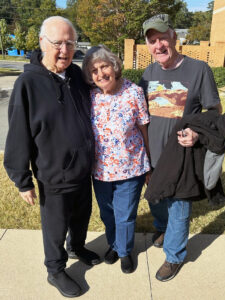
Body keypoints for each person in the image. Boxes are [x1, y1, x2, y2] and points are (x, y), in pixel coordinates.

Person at [4, 16, 100, 298]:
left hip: (83, 171)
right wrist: (22, 180)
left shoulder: (76, 77)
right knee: (55, 227)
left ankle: (77, 247)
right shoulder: (28, 83)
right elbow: (19, 134)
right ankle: (55, 268)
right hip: (54, 175)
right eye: (57, 43)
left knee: (82, 217)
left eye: (70, 43)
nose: (64, 50)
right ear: (42, 42)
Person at [139, 14, 223, 282]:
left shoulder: (199, 70)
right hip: (153, 155)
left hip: (182, 155)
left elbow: (215, 111)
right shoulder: (148, 74)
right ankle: (162, 229)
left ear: (174, 37)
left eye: (163, 37)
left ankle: (174, 256)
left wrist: (197, 133)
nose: (159, 45)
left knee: (179, 207)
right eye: (152, 41)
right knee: (157, 198)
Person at [82, 45, 151, 274]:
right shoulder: (90, 96)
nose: (100, 73)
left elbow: (143, 129)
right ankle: (114, 244)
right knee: (107, 213)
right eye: (94, 70)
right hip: (100, 170)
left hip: (131, 167)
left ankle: (124, 252)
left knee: (125, 214)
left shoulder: (134, 92)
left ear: (115, 66)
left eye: (104, 66)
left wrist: (149, 163)